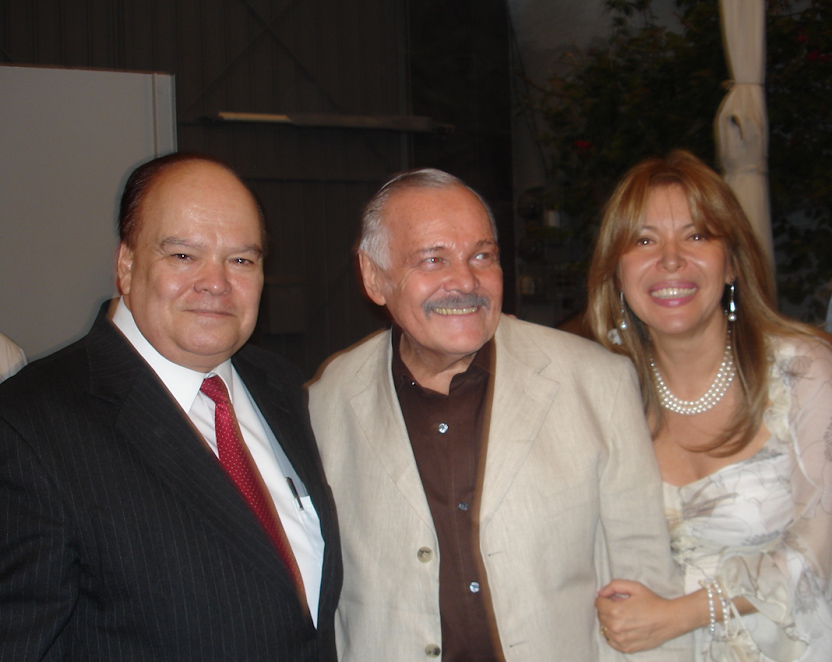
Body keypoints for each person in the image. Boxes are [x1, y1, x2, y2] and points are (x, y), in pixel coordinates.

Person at [307, 168, 691, 661]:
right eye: (433, 259)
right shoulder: (326, 402)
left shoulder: (597, 383)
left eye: (482, 256)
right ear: (374, 276)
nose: (465, 281)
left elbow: (646, 588)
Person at [0, 152, 342, 660]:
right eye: (183, 255)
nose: (216, 282)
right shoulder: (27, 428)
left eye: (242, 260)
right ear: (126, 265)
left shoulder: (280, 386)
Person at [586, 150, 832, 661]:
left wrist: (682, 614)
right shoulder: (601, 394)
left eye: (696, 236)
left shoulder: (804, 370)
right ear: (616, 273)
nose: (671, 259)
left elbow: (822, 543)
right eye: (644, 240)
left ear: (733, 263)